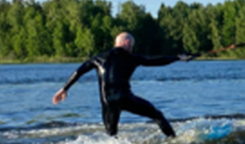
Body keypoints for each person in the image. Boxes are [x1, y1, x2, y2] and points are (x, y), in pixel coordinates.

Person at [52, 32, 195, 138]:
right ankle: (173, 140)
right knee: (158, 115)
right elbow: (156, 60)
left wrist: (64, 88)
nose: (132, 48)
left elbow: (79, 71)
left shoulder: (98, 58)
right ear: (126, 42)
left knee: (111, 134)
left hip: (107, 101)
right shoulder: (132, 57)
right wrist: (178, 58)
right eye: (132, 45)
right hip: (125, 98)